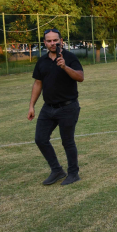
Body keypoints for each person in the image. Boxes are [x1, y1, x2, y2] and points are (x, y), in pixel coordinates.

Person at [27, 29, 85, 185]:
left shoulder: (70, 58)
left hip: (68, 107)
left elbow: (80, 77)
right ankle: (57, 170)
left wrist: (65, 67)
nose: (53, 43)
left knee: (67, 141)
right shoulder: (42, 61)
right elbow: (38, 83)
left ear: (61, 41)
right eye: (49, 41)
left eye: (55, 40)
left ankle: (73, 174)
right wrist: (32, 105)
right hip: (48, 108)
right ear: (45, 43)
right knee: (40, 139)